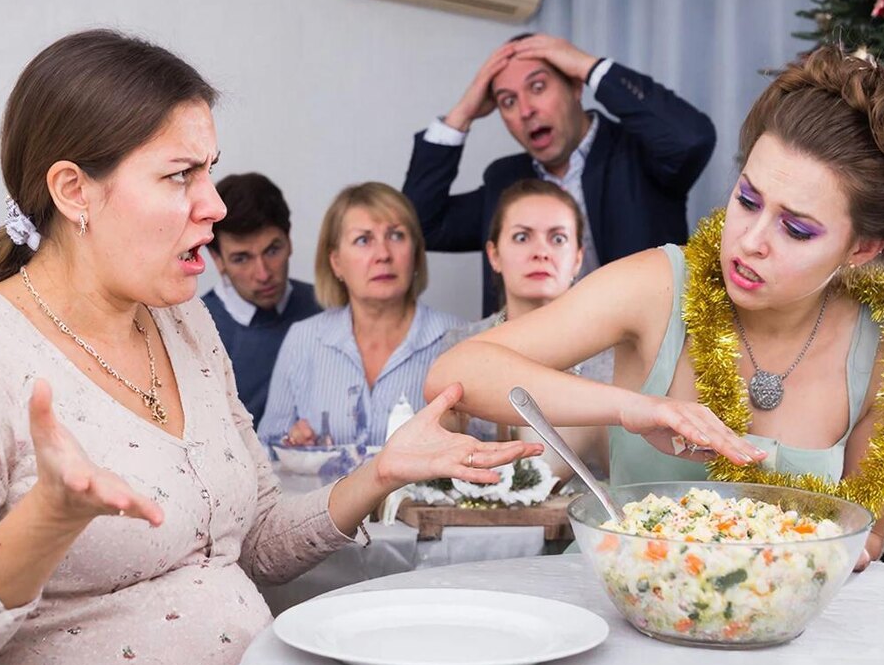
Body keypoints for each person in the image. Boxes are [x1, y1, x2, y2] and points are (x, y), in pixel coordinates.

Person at [0, 30, 539, 665]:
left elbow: (259, 541)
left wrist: (383, 471)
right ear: (73, 191)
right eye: (180, 175)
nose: (213, 206)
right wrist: (45, 525)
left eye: (209, 170)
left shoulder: (182, 322)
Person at [427, 45, 884, 572]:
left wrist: (836, 550)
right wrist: (630, 408)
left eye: (796, 229)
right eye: (747, 200)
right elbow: (455, 374)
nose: (750, 241)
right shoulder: (657, 286)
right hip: (618, 597)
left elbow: (868, 534)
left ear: (861, 249)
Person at [404, 33, 716, 316]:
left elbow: (692, 139)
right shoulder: (505, 180)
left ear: (576, 86)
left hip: (641, 354)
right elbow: (420, 225)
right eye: (508, 101)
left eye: (538, 87)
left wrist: (589, 66)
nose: (526, 110)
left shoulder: (641, 153)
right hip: (528, 356)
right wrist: (463, 112)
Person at [258, 182, 465, 451]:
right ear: (336, 262)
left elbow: (487, 451)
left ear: (415, 253)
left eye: (396, 236)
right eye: (363, 240)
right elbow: (264, 453)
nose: (383, 255)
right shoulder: (303, 339)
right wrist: (290, 444)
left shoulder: (459, 339)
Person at [439, 179, 612, 480]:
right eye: (522, 237)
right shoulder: (460, 345)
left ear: (577, 259)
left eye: (558, 239)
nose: (541, 252)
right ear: (494, 255)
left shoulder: (614, 354)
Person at [201, 173, 321, 425]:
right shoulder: (194, 330)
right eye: (241, 258)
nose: (263, 274)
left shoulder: (325, 308)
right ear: (217, 260)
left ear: (289, 240)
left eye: (272, 250)